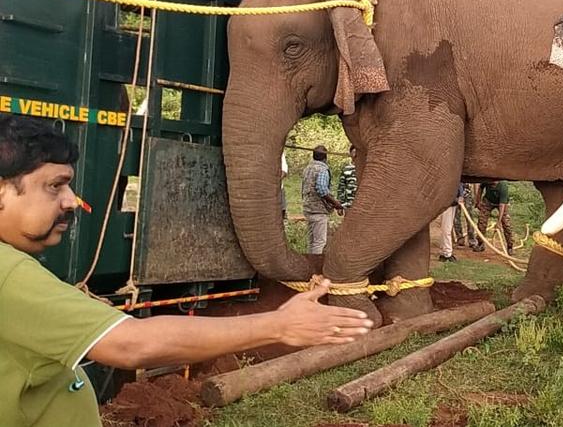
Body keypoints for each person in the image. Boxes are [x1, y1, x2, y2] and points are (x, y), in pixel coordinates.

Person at [0, 115, 373, 427]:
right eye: (54, 187)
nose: (71, 201)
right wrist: (278, 325)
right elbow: (132, 343)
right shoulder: (9, 273)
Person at [301, 145, 343, 254]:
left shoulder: (307, 169)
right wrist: (336, 203)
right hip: (319, 210)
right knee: (320, 242)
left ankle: (310, 265)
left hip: (308, 208)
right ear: (326, 157)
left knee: (312, 242)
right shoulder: (323, 169)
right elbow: (322, 189)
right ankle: (316, 267)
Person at [474, 181, 513, 254]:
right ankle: (480, 244)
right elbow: (480, 188)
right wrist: (478, 201)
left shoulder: (503, 187)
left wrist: (498, 222)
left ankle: (510, 246)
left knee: (506, 224)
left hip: (501, 203)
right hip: (488, 201)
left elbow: (502, 205)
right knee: (481, 222)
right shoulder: (487, 180)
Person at [437, 184, 467, 262]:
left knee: (446, 229)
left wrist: (460, 196)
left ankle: (444, 252)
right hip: (447, 205)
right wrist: (457, 199)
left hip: (453, 204)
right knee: (446, 229)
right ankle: (447, 253)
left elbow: (459, 184)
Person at [279, 151, 289, 220]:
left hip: (278, 188)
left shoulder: (279, 153)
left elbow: (284, 171)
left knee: (282, 211)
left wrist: (274, 181)